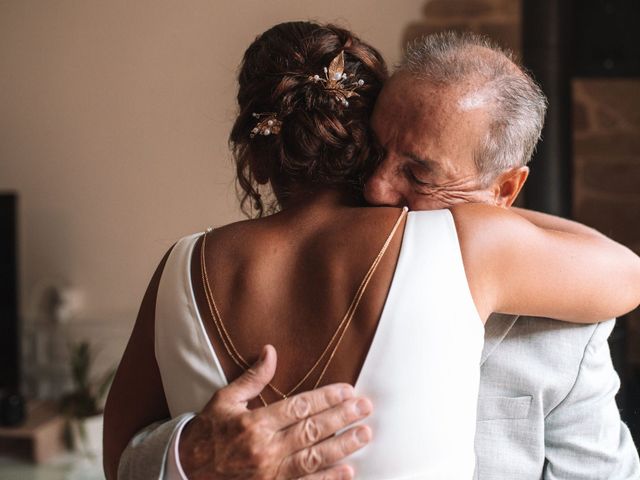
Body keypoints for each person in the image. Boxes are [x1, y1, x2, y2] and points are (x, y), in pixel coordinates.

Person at [104, 23, 640, 479]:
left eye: (419, 172)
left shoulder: (185, 263)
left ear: (503, 190)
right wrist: (190, 455)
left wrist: (480, 220)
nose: (380, 188)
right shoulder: (473, 243)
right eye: (377, 152)